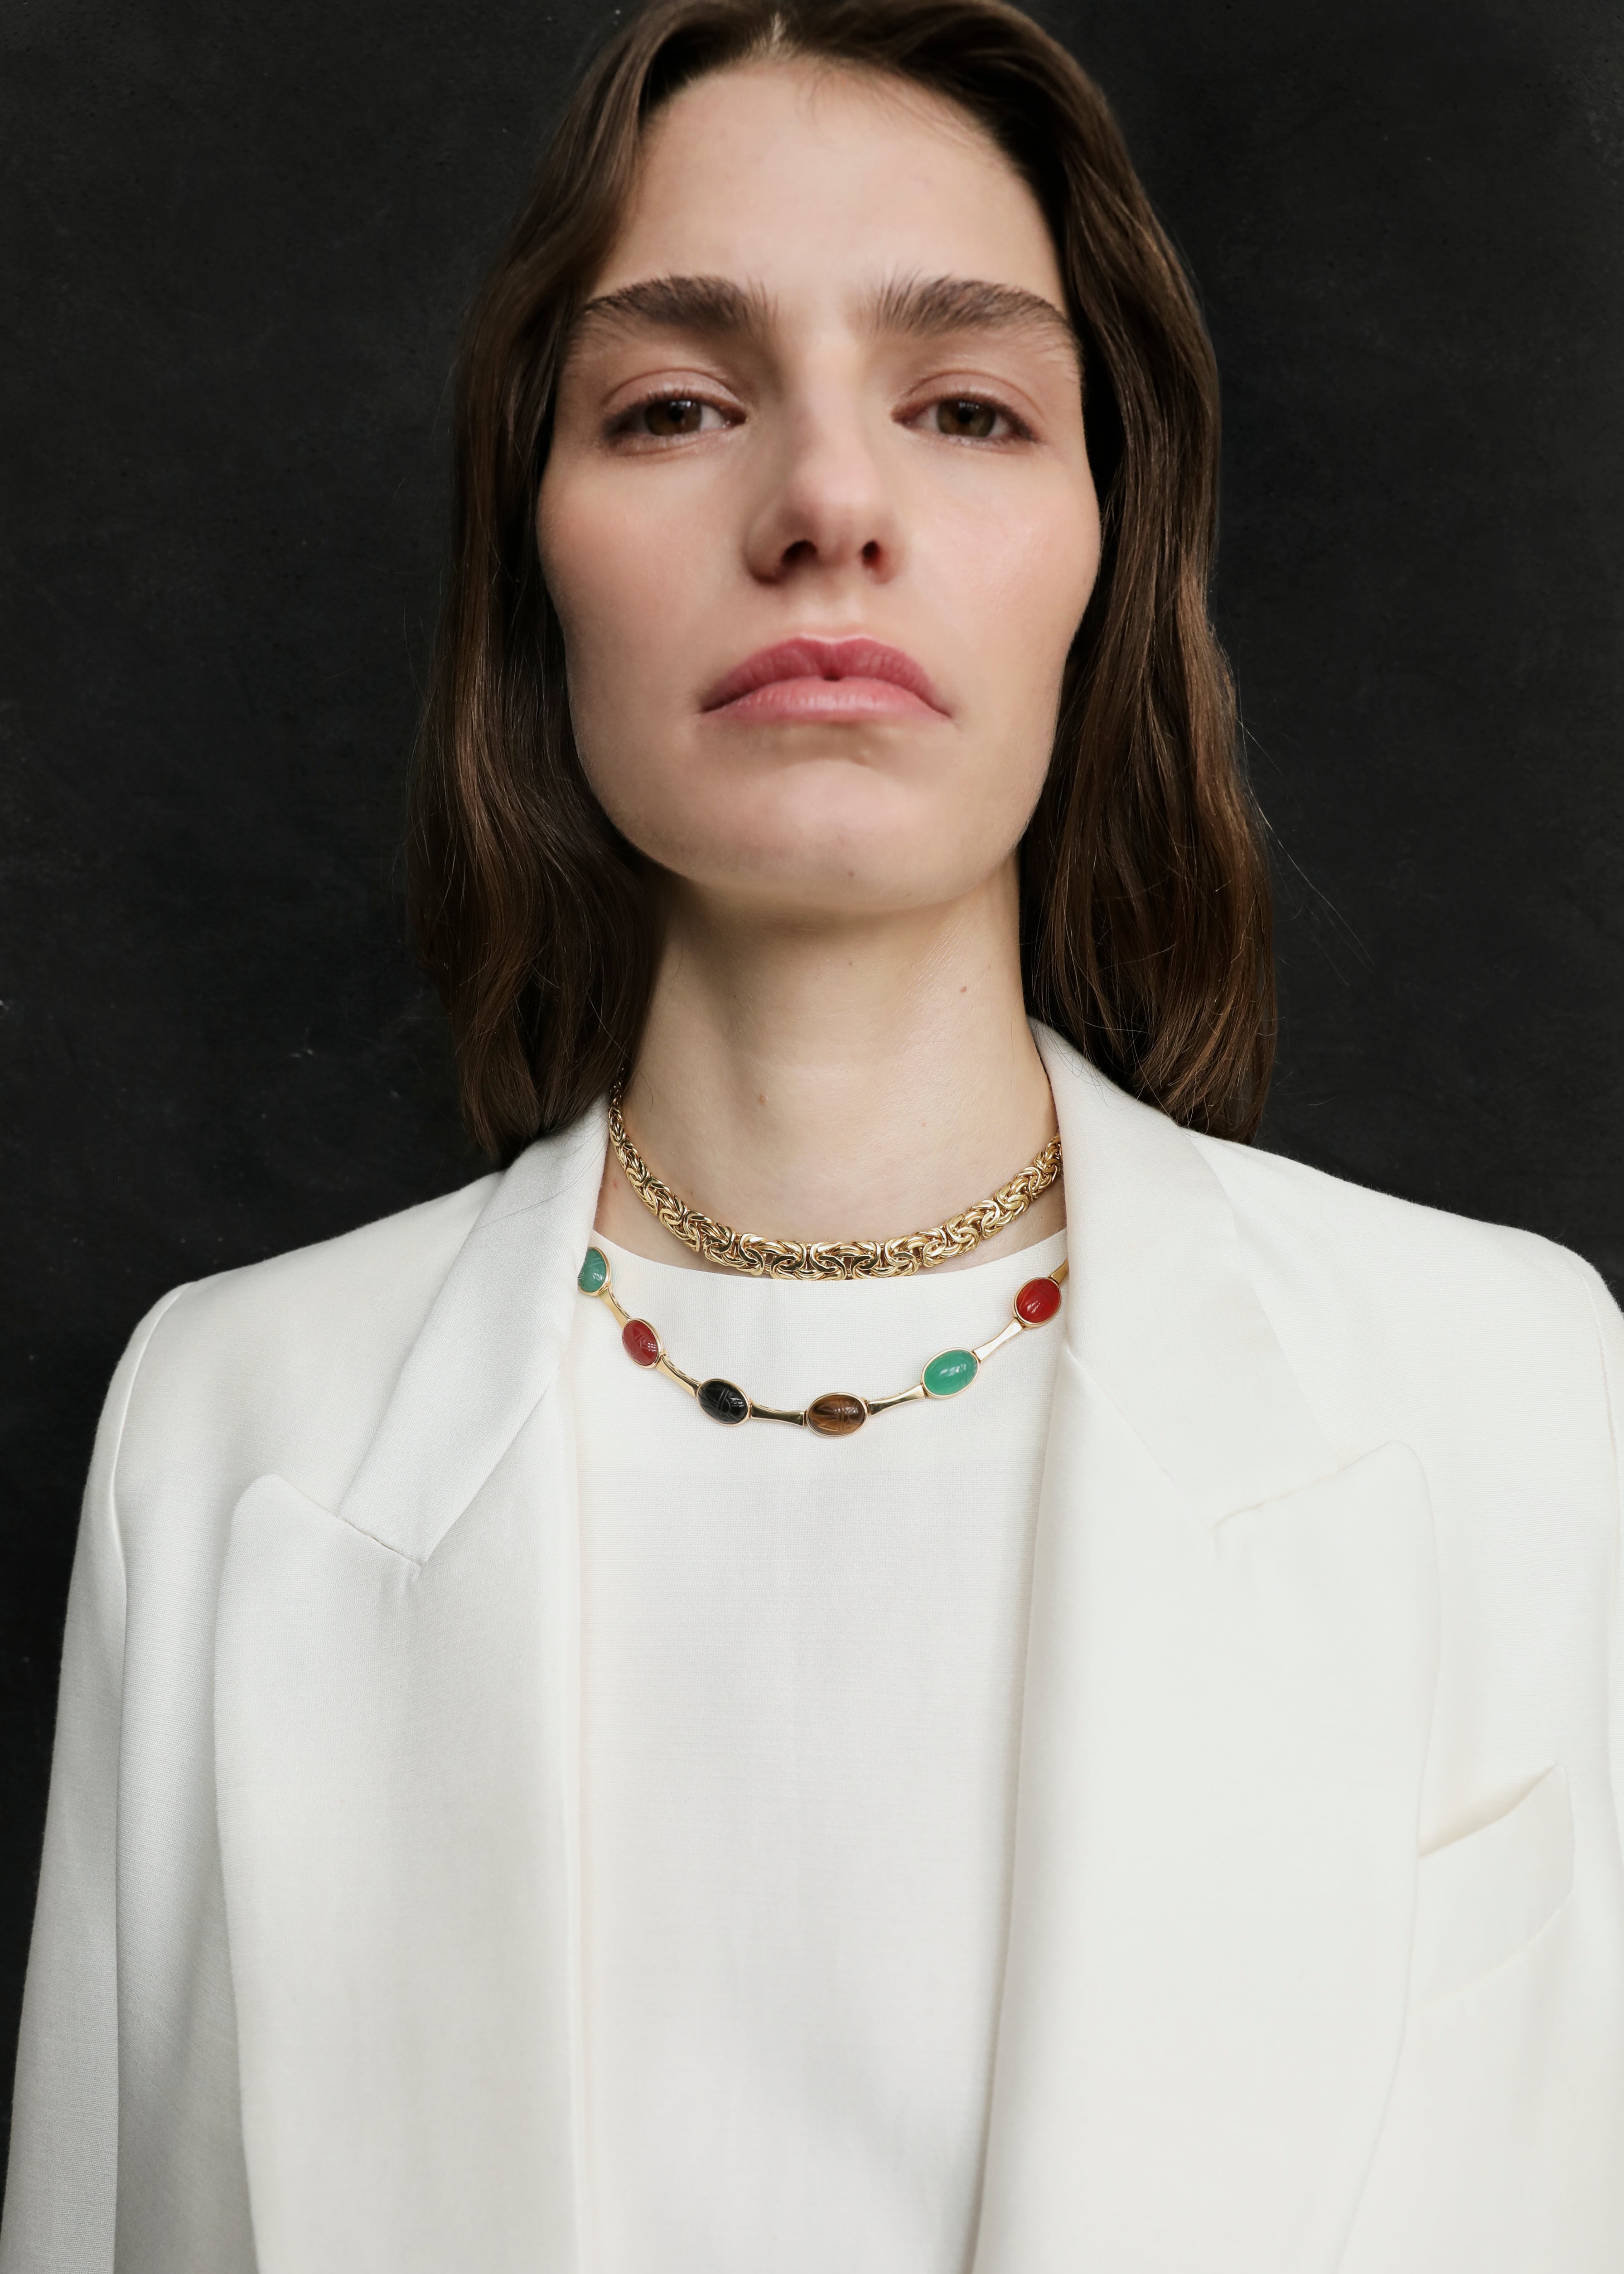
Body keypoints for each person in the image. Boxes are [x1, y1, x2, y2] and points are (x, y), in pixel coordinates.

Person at [5, 0, 1621, 2266]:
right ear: (533, 546)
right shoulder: (229, 1435)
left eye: (965, 407)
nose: (828, 508)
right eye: (674, 404)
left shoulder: (1511, 1397)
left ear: (1104, 540)